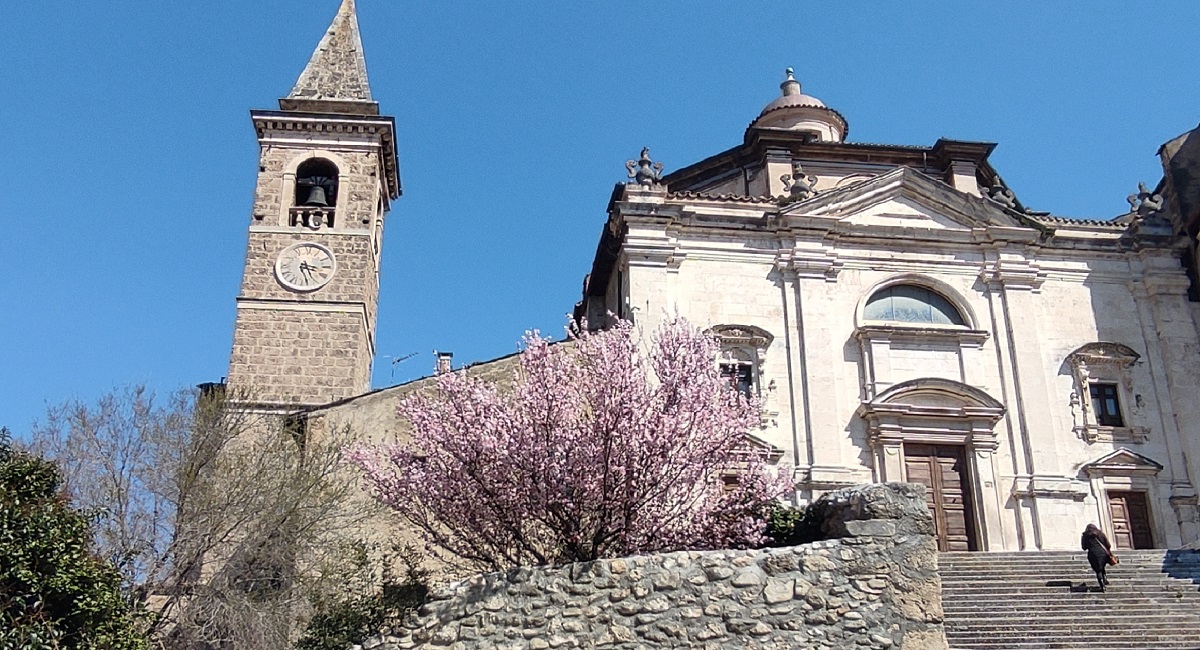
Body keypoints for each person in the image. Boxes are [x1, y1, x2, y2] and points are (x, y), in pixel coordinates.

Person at [1081, 523, 1115, 591]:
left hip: (1093, 554)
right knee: (1102, 566)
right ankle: (1105, 579)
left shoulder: (1085, 535)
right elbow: (1108, 544)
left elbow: (1084, 547)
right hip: (1103, 553)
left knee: (1098, 570)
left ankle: (1102, 586)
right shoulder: (1100, 533)